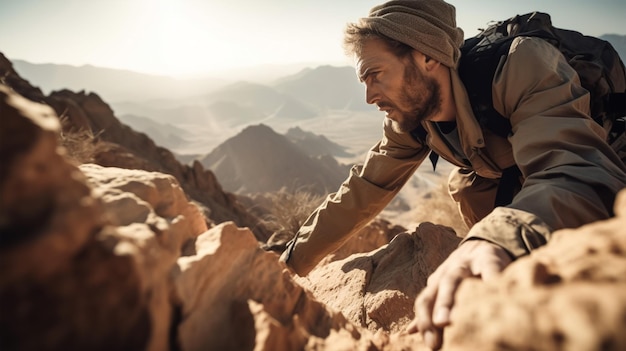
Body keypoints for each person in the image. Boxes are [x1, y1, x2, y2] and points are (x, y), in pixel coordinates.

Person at [279, 0, 626, 349]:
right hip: (511, 169)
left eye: (376, 75)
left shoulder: (521, 64)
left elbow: (573, 165)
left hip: (599, 158)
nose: (369, 96)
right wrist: (289, 263)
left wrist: (495, 239)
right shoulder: (411, 117)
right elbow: (365, 187)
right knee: (466, 187)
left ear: (427, 57)